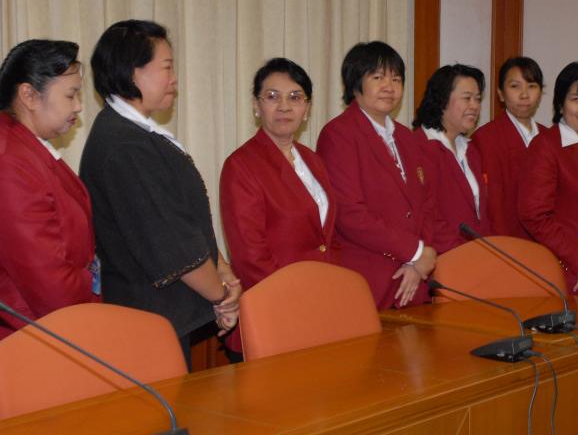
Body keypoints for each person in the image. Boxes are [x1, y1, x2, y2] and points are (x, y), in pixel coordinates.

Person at [79, 20, 240, 366]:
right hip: (143, 324)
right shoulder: (125, 146)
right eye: (166, 67)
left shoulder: (134, 133)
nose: (174, 79)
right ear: (132, 72)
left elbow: (187, 216)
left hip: (159, 318)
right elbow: (173, 244)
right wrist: (222, 295)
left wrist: (223, 269)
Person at [219, 57, 336, 359]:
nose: (284, 106)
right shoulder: (241, 165)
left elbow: (326, 239)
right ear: (256, 106)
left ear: (307, 108)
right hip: (273, 313)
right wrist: (295, 303)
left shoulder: (313, 161)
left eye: (295, 97)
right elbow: (250, 256)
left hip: (321, 308)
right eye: (272, 97)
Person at [316, 41, 438, 310]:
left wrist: (419, 262)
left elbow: (426, 203)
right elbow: (350, 214)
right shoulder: (339, 135)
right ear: (355, 83)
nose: (389, 87)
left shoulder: (407, 137)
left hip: (414, 280)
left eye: (396, 79)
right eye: (378, 77)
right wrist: (415, 251)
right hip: (370, 278)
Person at [0, 40, 97, 339]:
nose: (78, 106)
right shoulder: (10, 160)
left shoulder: (27, 147)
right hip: (33, 336)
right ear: (29, 95)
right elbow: (49, 283)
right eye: (70, 95)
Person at [518, 62, 578, 297]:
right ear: (561, 105)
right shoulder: (546, 145)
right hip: (570, 272)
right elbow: (533, 215)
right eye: (576, 99)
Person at [412, 64, 490, 251]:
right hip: (444, 257)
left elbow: (481, 214)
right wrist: (463, 253)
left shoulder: (471, 149)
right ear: (442, 100)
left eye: (478, 99)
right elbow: (427, 216)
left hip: (478, 256)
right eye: (467, 98)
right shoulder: (419, 147)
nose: (474, 106)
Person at [472, 56, 546, 237]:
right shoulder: (486, 138)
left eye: (532, 86)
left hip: (546, 240)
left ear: (540, 92)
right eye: (515, 86)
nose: (524, 95)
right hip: (506, 241)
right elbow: (492, 205)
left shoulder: (549, 137)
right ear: (500, 94)